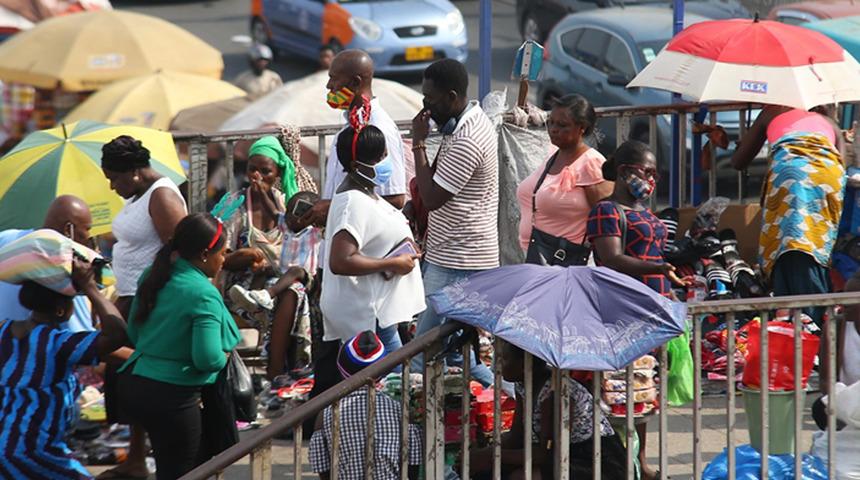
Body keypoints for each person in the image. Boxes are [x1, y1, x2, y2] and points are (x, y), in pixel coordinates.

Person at [586, 140, 685, 480]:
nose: (652, 180)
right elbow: (612, 258)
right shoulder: (606, 211)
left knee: (644, 390)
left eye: (655, 174)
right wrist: (658, 268)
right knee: (617, 392)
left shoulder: (645, 212)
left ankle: (641, 461)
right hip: (620, 311)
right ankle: (619, 463)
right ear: (626, 171)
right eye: (647, 172)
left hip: (654, 311)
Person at [117, 213, 242, 480]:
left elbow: (135, 333)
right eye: (223, 253)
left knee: (168, 466)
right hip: (175, 398)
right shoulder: (202, 293)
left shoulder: (154, 275)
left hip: (139, 384)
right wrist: (225, 354)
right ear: (206, 254)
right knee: (183, 472)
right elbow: (207, 359)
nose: (224, 260)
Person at [732, 104, 845, 395]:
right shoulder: (828, 120)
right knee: (815, 250)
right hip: (829, 176)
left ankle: (802, 345)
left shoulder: (772, 111)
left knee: (790, 250)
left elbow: (738, 161)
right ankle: (818, 346)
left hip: (790, 175)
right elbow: (842, 160)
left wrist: (744, 140)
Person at [0, 237, 129, 479]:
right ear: (61, 310)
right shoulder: (59, 343)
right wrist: (90, 287)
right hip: (36, 452)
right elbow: (119, 334)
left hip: (7, 446)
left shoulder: (4, 331)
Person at [100, 135, 187, 480]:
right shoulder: (138, 195)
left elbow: (178, 251)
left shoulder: (162, 195)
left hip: (150, 301)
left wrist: (152, 295)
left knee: (126, 363)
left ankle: (148, 452)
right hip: (130, 296)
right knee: (125, 376)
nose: (111, 185)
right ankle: (136, 456)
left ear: (134, 172)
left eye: (114, 177)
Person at [409, 58, 499, 386]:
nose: (425, 108)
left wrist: (418, 142)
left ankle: (411, 428)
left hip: (461, 260)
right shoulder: (458, 125)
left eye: (429, 101)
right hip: (450, 254)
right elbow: (434, 182)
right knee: (458, 354)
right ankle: (512, 401)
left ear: (451, 97)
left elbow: (432, 198)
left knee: (421, 350)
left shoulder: (468, 138)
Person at [320, 98, 424, 360]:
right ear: (357, 167)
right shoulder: (351, 202)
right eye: (380, 158)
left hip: (378, 311)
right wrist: (392, 263)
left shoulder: (365, 193)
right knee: (395, 379)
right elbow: (341, 261)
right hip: (367, 315)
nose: (386, 162)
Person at [469, 342, 626, 479]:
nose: (499, 364)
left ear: (524, 366)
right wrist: (483, 453)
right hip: (563, 455)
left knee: (521, 476)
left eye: (505, 359)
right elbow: (516, 435)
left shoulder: (555, 393)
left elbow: (545, 454)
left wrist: (491, 455)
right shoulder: (523, 385)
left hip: (594, 460)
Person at [303, 49, 408, 226]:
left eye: (334, 78)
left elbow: (396, 199)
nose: (329, 86)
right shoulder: (353, 121)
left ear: (355, 82)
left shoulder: (380, 128)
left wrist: (332, 207)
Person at [229, 191, 323, 379]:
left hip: (308, 279)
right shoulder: (285, 226)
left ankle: (266, 296)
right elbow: (273, 211)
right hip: (283, 278)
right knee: (280, 277)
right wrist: (261, 189)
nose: (289, 218)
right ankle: (259, 301)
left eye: (295, 215)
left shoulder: (315, 232)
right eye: (287, 213)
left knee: (295, 273)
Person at [309, 330, 423, 480]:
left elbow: (323, 470)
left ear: (341, 370)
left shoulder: (325, 415)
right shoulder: (400, 411)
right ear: (381, 372)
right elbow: (413, 466)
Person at [516, 94, 613, 263]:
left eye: (562, 125)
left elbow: (608, 220)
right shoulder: (554, 154)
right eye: (551, 122)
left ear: (581, 128)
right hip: (536, 257)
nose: (553, 129)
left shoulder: (591, 163)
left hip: (566, 264)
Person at [221, 136, 301, 338]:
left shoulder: (284, 204)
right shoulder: (235, 204)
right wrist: (248, 257)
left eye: (265, 171)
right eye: (252, 169)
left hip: (278, 282)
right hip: (243, 286)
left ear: (278, 174)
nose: (257, 176)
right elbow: (221, 259)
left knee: (294, 295)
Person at [0, 195, 96, 332]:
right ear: (69, 230)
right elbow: (80, 335)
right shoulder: (66, 266)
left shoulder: (5, 238)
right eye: (87, 229)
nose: (89, 236)